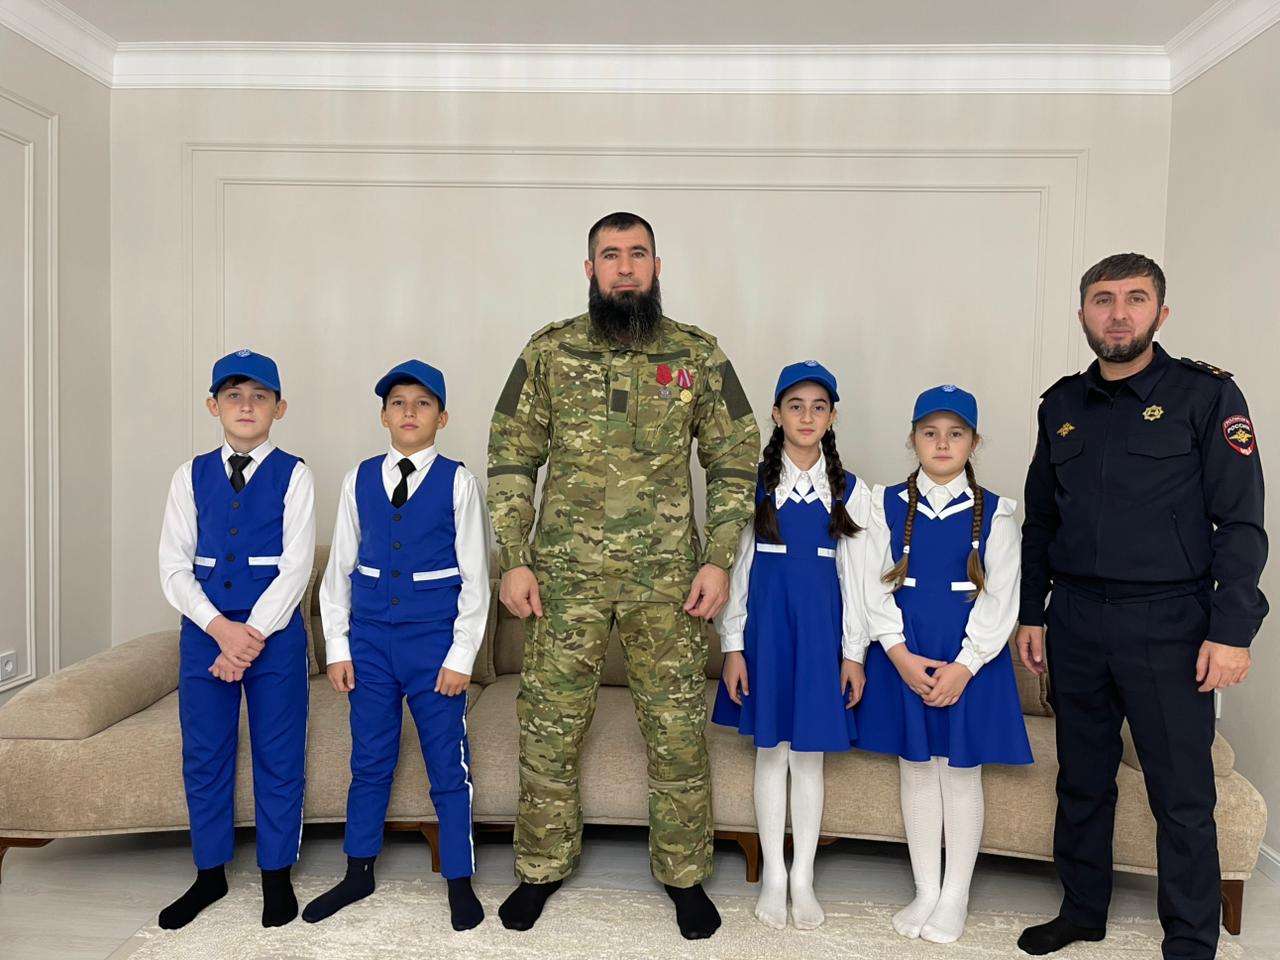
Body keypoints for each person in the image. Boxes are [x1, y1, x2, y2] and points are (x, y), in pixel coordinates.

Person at [486, 212, 760, 939]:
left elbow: (735, 458)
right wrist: (513, 557)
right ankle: (540, 868)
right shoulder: (549, 352)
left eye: (638, 254)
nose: (626, 267)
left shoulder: (696, 355)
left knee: (676, 731)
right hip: (564, 577)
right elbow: (511, 453)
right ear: (590, 270)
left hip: (667, 580)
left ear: (657, 266)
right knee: (549, 729)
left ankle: (685, 875)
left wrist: (718, 557)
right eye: (611, 255)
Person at [1015, 254, 1267, 960]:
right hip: (1076, 619)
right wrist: (1033, 612)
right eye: (1103, 299)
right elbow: (1041, 521)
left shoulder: (1206, 396)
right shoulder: (1061, 406)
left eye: (1135, 298)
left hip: (1171, 622)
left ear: (1161, 312)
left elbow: (1241, 523)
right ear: (1083, 315)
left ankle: (1189, 937)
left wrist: (1232, 629)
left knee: (1181, 792)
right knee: (1082, 780)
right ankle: (1082, 911)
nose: (1118, 313)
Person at [304, 360, 490, 932]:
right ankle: (358, 870)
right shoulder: (358, 479)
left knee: (447, 764)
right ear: (383, 415)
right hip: (370, 646)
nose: (409, 412)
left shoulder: (458, 482)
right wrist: (338, 647)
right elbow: (339, 570)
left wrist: (461, 656)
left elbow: (476, 578)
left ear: (442, 417)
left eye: (422, 403)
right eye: (398, 403)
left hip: (433, 646)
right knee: (370, 759)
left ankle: (458, 878)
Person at [855, 384, 1032, 944]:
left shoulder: (997, 512)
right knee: (915, 768)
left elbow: (1002, 598)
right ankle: (925, 889)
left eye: (956, 434)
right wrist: (898, 653)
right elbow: (868, 585)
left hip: (968, 662)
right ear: (912, 440)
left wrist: (966, 664)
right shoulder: (882, 503)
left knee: (959, 773)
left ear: (974, 442)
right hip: (905, 656)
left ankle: (955, 896)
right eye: (929, 433)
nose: (942, 443)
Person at [157, 349, 315, 929]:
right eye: (233, 396)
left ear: (279, 407)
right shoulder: (189, 475)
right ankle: (209, 875)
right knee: (205, 753)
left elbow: (296, 568)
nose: (246, 406)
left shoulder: (295, 474)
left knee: (279, 753)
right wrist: (219, 629)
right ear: (213, 406)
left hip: (274, 635)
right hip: (206, 633)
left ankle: (277, 874)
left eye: (259, 396)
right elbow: (173, 566)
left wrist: (250, 637)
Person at [711, 361, 871, 930]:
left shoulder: (850, 490)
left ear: (832, 418)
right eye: (795, 406)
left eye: (818, 407)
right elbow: (736, 571)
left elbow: (858, 582)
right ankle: (773, 877)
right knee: (771, 754)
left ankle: (802, 877)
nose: (807, 416)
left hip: (821, 639)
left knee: (808, 759)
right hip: (768, 637)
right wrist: (733, 645)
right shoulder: (751, 485)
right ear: (776, 414)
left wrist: (853, 653)